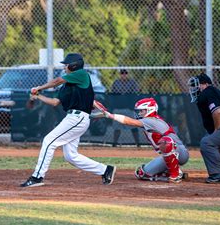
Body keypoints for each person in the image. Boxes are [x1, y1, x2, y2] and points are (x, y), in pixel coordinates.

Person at [20, 53, 116, 188]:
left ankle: (37, 177)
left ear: (74, 65)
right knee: (70, 155)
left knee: (48, 141)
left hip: (78, 118)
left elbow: (56, 81)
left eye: (66, 64)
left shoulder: (81, 74)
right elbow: (55, 102)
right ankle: (105, 170)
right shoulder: (67, 87)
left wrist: (39, 88)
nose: (64, 67)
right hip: (72, 118)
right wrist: (38, 96)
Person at [93, 97, 189, 183]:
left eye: (142, 111)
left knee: (166, 142)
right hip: (171, 154)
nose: (139, 113)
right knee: (141, 173)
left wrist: (110, 115)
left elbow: (130, 122)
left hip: (180, 152)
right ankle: (173, 172)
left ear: (149, 110)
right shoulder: (150, 120)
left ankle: (175, 175)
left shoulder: (151, 120)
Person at [110, 69, 141, 147]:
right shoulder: (116, 82)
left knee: (133, 125)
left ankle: (138, 144)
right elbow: (113, 93)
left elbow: (135, 92)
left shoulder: (132, 82)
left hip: (129, 108)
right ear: (120, 74)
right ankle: (114, 143)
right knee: (117, 127)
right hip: (118, 108)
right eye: (122, 73)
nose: (124, 75)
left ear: (128, 74)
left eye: (125, 73)